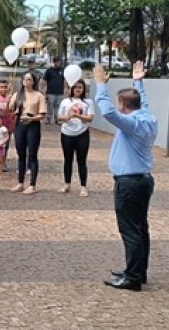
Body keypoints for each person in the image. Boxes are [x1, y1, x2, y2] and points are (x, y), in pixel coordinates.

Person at [95, 62, 157, 291]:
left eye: (120, 104)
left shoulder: (131, 123)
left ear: (123, 106)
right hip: (143, 180)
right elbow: (143, 101)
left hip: (129, 183)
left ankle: (132, 278)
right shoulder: (147, 117)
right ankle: (138, 272)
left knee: (130, 230)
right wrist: (138, 81)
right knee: (140, 228)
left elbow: (108, 112)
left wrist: (101, 85)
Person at [8, 73, 46, 195]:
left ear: (33, 82)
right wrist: (10, 97)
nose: (26, 81)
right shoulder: (17, 95)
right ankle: (20, 182)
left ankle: (32, 184)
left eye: (29, 79)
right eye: (24, 79)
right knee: (21, 154)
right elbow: (10, 109)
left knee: (32, 154)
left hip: (33, 124)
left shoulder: (38, 96)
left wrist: (32, 118)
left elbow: (42, 114)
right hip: (20, 125)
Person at [57, 79, 94, 197]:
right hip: (67, 133)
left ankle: (83, 186)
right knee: (67, 160)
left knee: (81, 160)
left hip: (82, 133)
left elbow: (89, 118)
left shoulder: (88, 102)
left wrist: (77, 115)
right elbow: (59, 116)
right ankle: (67, 183)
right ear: (71, 88)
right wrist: (66, 117)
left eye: (80, 87)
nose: (78, 89)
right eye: (76, 87)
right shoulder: (65, 101)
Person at [42, 57, 65, 124]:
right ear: (54, 62)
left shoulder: (63, 70)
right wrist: (43, 90)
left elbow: (65, 80)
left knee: (58, 105)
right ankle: (48, 118)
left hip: (60, 91)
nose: (58, 63)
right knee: (50, 105)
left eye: (59, 62)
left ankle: (57, 119)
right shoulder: (49, 70)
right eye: (57, 62)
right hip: (50, 91)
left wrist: (67, 88)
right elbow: (44, 80)